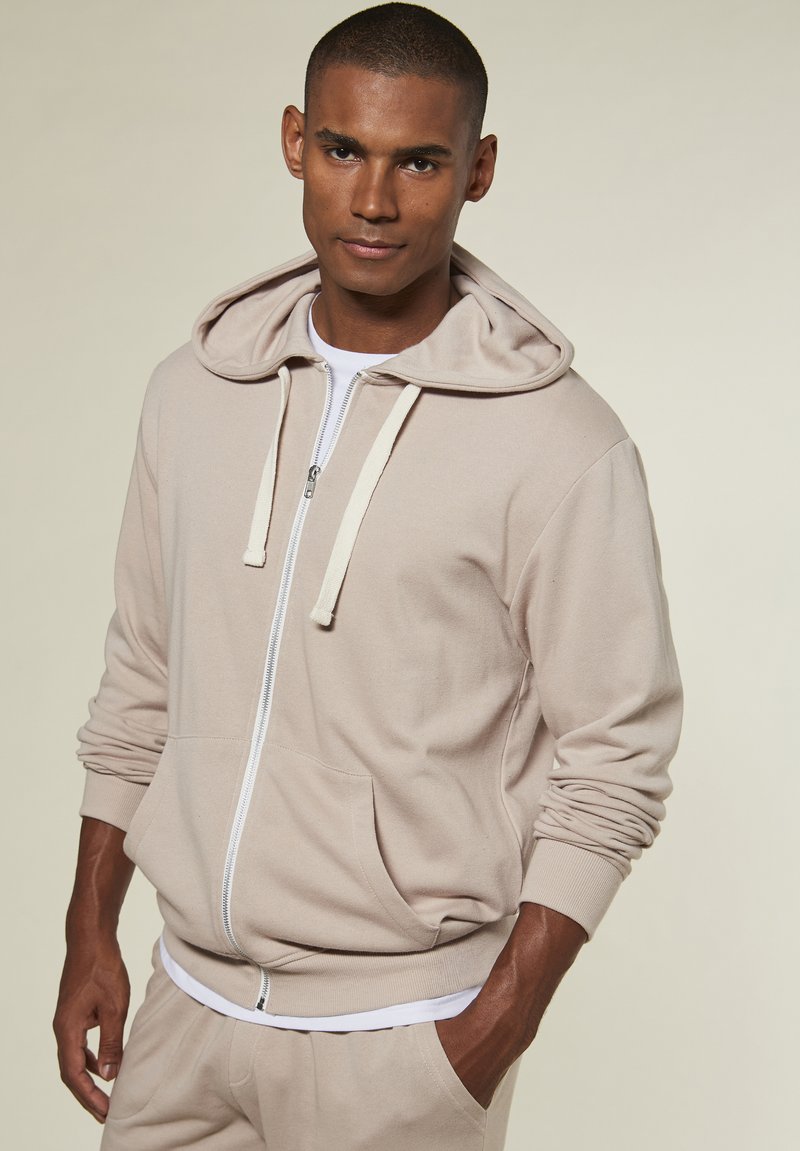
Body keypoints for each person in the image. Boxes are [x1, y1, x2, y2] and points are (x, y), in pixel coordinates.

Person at [53, 4, 683, 1149]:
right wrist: (88, 931)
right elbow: (141, 672)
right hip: (184, 1012)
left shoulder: (558, 444)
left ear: (477, 170)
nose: (375, 199)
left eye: (420, 162)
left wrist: (487, 1032)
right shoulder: (191, 394)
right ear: (295, 141)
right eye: (344, 150)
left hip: (398, 1036)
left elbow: (615, 757)